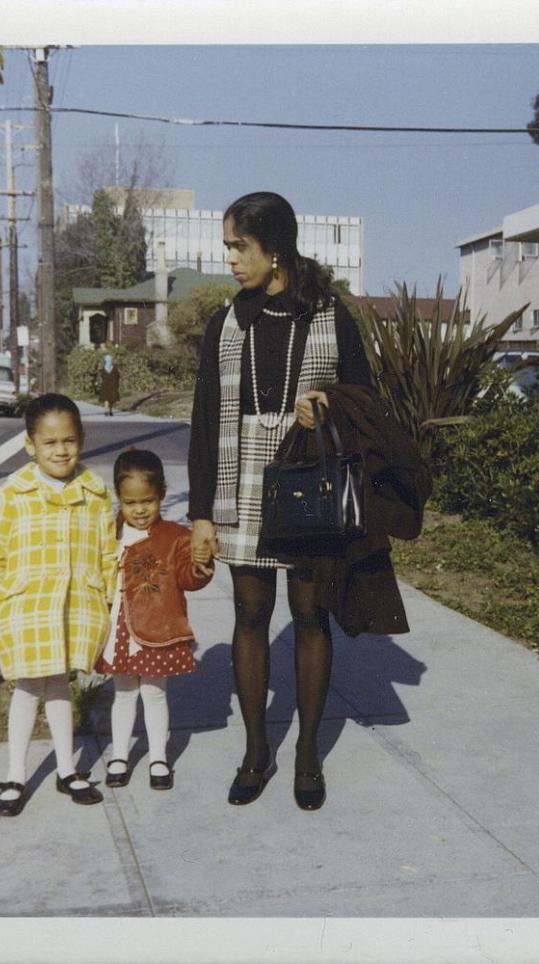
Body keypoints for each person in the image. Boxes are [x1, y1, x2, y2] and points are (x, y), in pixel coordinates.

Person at [187, 191, 376, 811]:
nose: (232, 261)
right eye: (229, 249)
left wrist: (323, 404)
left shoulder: (329, 314)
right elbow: (205, 419)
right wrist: (200, 516)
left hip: (307, 479)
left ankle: (305, 755)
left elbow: (365, 400)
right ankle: (255, 750)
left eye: (240, 248)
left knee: (310, 616)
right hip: (239, 479)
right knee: (247, 616)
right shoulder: (227, 321)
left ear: (276, 247)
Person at [0, 393, 117, 816]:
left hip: (75, 604)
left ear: (81, 439)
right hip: (26, 606)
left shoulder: (95, 493)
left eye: (69, 441)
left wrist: (108, 600)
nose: (61, 450)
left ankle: (65, 768)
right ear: (31, 445)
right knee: (26, 688)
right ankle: (15, 775)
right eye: (50, 443)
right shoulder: (14, 492)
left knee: (60, 685)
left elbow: (107, 551)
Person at [95, 449, 214, 790]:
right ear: (119, 499)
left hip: (157, 628)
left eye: (148, 500)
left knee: (154, 693)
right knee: (123, 693)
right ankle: (119, 755)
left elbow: (189, 579)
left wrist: (201, 563)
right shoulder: (109, 532)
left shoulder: (175, 537)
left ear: (162, 493)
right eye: (130, 503)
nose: (140, 510)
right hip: (118, 628)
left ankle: (158, 757)